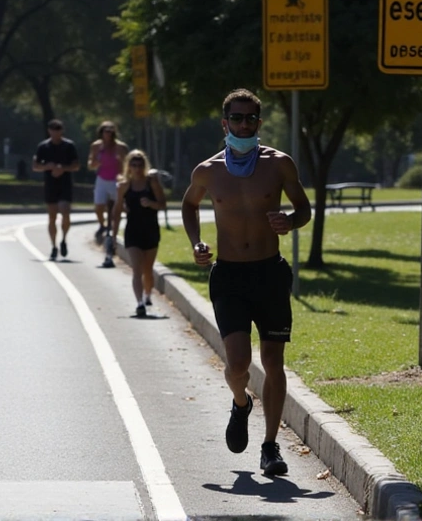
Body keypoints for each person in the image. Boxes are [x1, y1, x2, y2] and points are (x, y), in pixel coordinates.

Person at [182, 89, 311, 477]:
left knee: (273, 361)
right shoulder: (208, 171)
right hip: (230, 276)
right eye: (236, 119)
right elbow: (189, 205)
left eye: (250, 119)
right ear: (225, 124)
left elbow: (304, 207)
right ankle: (240, 403)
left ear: (259, 122)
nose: (243, 125)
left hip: (270, 273)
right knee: (238, 363)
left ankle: (270, 447)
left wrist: (290, 220)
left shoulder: (279, 164)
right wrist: (196, 243)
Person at [110, 149, 166, 317]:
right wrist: (113, 236)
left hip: (150, 230)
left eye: (140, 164)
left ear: (144, 165)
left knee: (148, 269)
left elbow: (162, 204)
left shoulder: (152, 182)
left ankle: (148, 295)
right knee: (137, 269)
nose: (137, 167)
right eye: (133, 164)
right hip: (132, 231)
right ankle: (139, 303)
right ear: (129, 166)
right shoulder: (124, 186)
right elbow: (117, 210)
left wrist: (150, 203)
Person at [32, 119, 80, 260]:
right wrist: (48, 166)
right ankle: (53, 246)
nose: (55, 131)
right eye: (53, 129)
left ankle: (64, 239)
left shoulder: (69, 146)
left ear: (62, 130)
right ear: (49, 131)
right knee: (52, 216)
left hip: (65, 184)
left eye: (58, 128)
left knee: (65, 211)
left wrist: (63, 168)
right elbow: (35, 166)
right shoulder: (43, 147)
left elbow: (76, 165)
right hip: (50, 184)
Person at [87, 121, 128, 251]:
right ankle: (102, 224)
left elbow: (127, 165)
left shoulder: (120, 147)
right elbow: (90, 164)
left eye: (111, 131)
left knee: (118, 207)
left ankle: (114, 230)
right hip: (102, 179)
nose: (108, 134)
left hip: (117, 179)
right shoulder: (96, 146)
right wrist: (97, 161)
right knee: (99, 205)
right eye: (106, 131)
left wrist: (124, 176)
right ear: (102, 132)